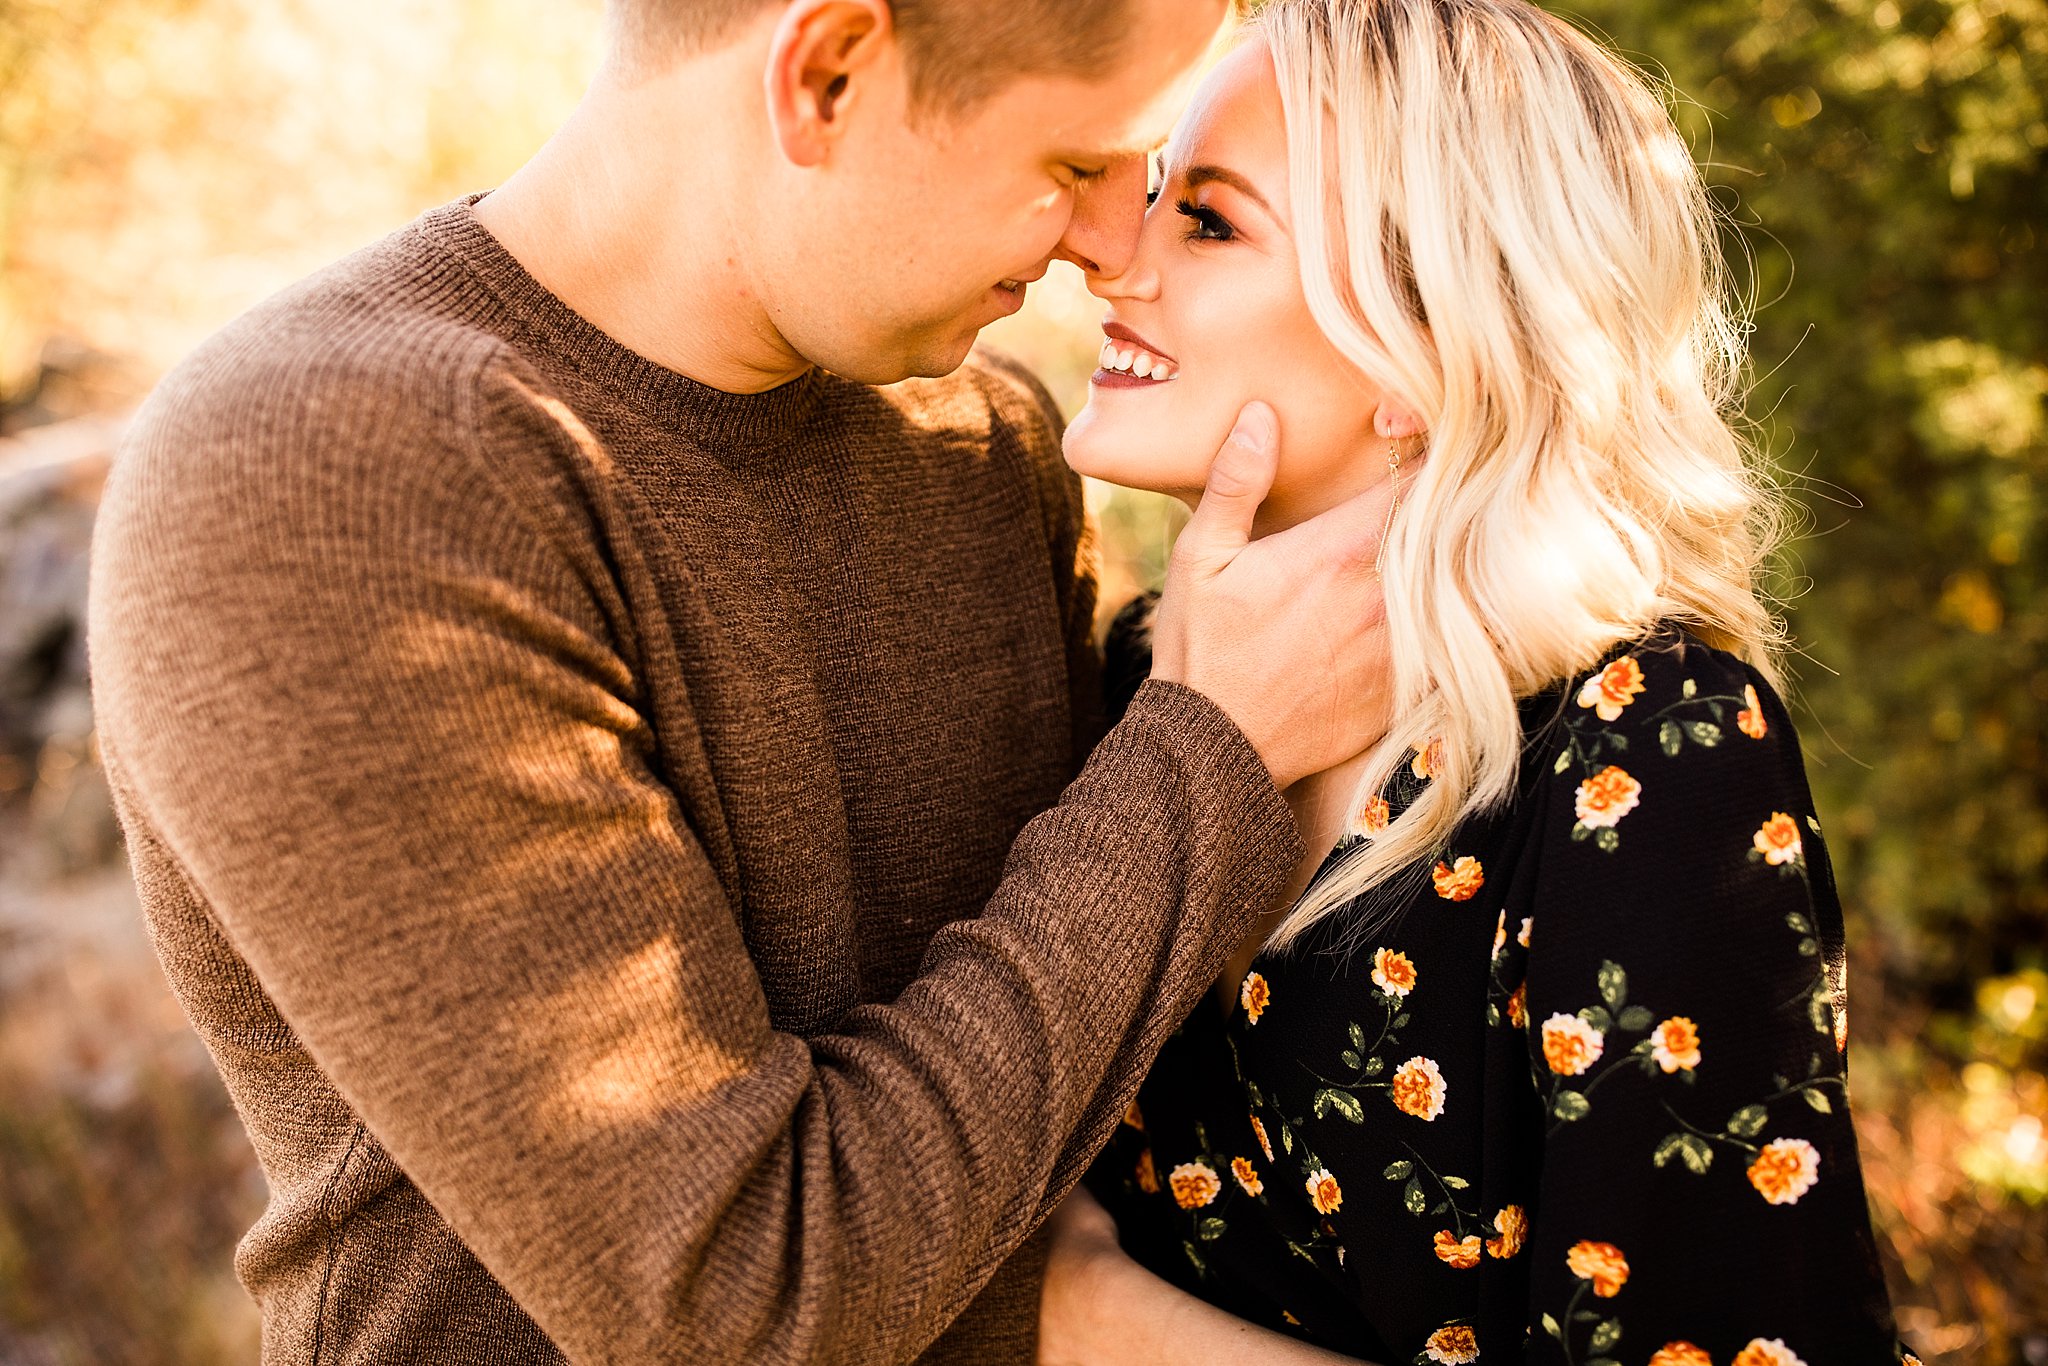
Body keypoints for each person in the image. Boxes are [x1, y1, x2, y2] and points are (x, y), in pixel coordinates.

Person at [86, 1, 1406, 1363]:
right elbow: (741, 1304)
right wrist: (1216, 744)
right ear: (825, 74)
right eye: (1075, 169)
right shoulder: (333, 477)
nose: (1111, 248)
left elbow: (1070, 1085)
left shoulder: (985, 441)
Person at [1036, 2, 1915, 1363]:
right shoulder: (1131, 674)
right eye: (1155, 192)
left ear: (1423, 342)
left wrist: (1099, 1322)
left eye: (1206, 221)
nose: (1108, 258)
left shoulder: (1648, 751)